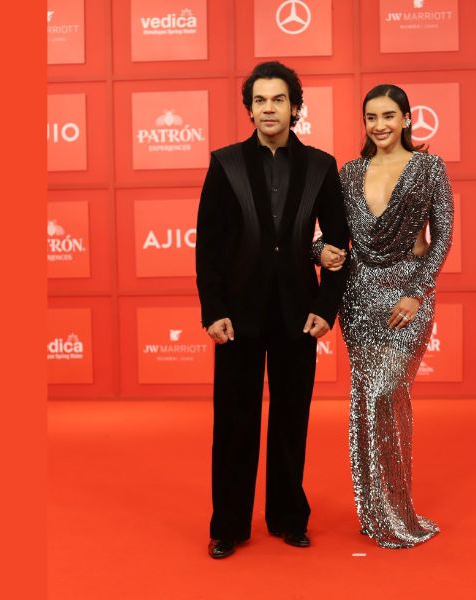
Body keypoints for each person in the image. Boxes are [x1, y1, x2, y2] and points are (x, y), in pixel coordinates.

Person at [195, 61, 350, 559]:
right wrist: (213, 310)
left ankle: (288, 517)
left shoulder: (322, 166)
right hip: (237, 317)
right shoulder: (225, 164)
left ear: (294, 107)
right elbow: (209, 247)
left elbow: (338, 243)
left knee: (290, 419)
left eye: (278, 99)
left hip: (298, 314)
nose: (268, 109)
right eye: (259, 100)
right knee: (234, 421)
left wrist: (326, 306)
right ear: (249, 109)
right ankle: (229, 525)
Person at [317, 84, 454, 548]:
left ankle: (396, 510)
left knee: (386, 391)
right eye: (371, 117)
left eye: (389, 116)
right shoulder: (349, 173)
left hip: (407, 297)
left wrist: (417, 292)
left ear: (407, 119)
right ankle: (376, 509)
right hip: (358, 296)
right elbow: (329, 236)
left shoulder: (429, 168)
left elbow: (443, 237)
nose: (380, 125)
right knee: (367, 399)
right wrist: (318, 253)